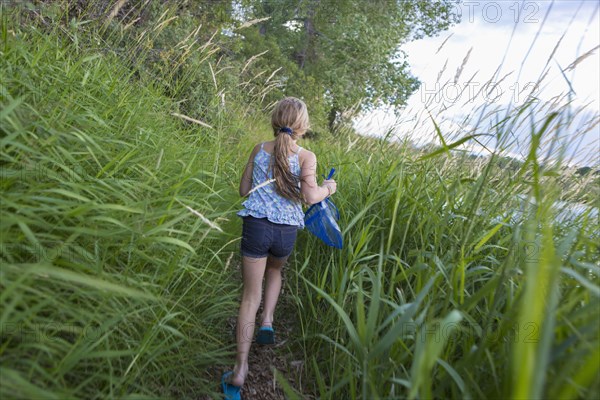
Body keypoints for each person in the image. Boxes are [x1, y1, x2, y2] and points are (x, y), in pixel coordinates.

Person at [221, 97, 337, 399]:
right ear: (303, 126)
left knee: (249, 296)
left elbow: (244, 190)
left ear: (274, 119)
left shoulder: (259, 149)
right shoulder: (307, 156)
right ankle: (268, 321)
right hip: (286, 231)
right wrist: (328, 188)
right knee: (276, 271)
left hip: (256, 227)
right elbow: (312, 197)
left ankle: (240, 369)